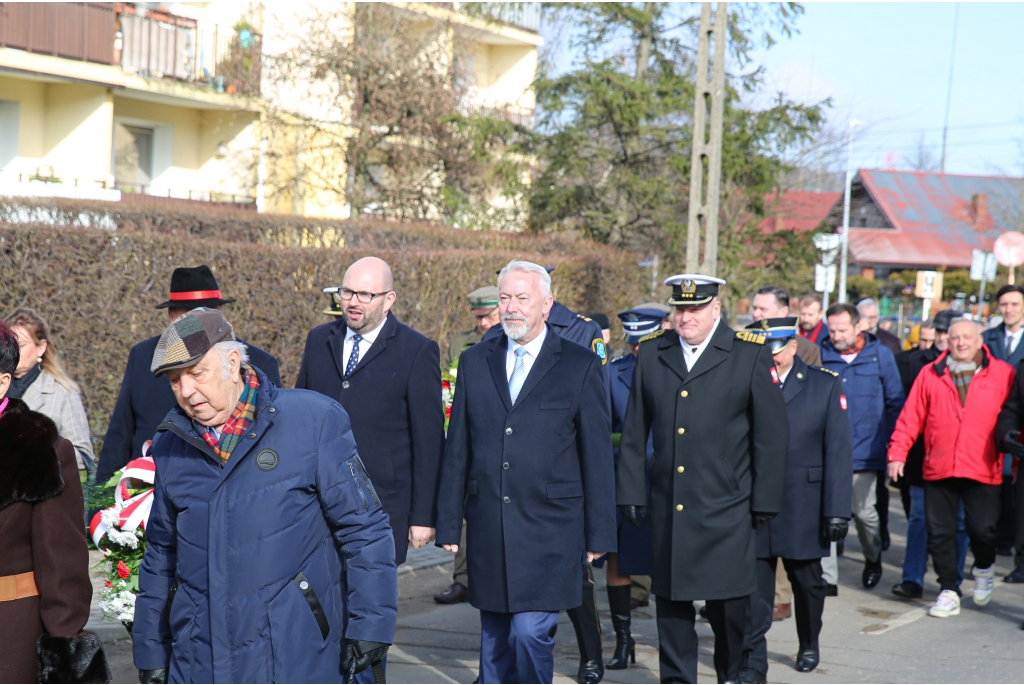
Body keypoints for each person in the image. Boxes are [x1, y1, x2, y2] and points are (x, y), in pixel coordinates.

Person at [133, 308, 397, 683]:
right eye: (175, 381)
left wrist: (371, 627)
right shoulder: (170, 444)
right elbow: (160, 553)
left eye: (197, 373)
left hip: (296, 652)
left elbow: (365, 529)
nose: (187, 392)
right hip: (199, 658)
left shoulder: (313, 421)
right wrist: (150, 649)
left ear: (233, 362)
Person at [435, 260, 616, 685]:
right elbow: (458, 446)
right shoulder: (475, 362)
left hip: (551, 528)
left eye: (522, 298)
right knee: (495, 636)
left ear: (546, 305)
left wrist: (600, 533)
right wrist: (447, 521)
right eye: (504, 299)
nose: (511, 308)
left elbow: (595, 456)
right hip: (490, 526)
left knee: (530, 632)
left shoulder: (579, 365)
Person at [617, 274, 788, 684]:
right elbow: (635, 429)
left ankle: (732, 674)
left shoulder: (747, 354)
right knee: (672, 607)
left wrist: (764, 499)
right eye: (679, 309)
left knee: (730, 606)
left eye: (695, 309)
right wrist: (630, 492)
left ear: (716, 309)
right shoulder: (654, 352)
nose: (685, 317)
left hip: (726, 505)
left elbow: (771, 434)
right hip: (670, 502)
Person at [296, 256, 446, 570]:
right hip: (318, 503)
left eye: (365, 295)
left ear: (388, 299)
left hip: (382, 506)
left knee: (371, 609)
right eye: (347, 292)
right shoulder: (319, 340)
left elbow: (428, 443)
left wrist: (423, 517)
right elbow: (300, 418)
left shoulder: (417, 351)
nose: (352, 302)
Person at [740, 318, 852, 682]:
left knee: (807, 583)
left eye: (777, 349)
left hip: (803, 502)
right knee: (754, 586)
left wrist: (837, 510)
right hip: (756, 501)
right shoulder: (746, 383)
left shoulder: (823, 385)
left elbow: (837, 452)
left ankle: (808, 642)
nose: (771, 358)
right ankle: (753, 654)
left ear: (793, 346)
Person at [0, 319, 110, 684]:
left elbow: (61, 566)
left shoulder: (40, 450)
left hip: (10, 638)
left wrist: (67, 657)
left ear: (2, 381)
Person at [97, 266, 281, 483]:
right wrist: (104, 505)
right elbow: (121, 434)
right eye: (188, 316)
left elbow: (277, 438)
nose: (186, 390)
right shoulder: (143, 356)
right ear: (170, 317)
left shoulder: (259, 362)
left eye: (208, 311)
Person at [889, 318, 1014, 618]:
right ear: (946, 341)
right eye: (954, 338)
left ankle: (983, 566)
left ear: (978, 339)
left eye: (966, 337)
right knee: (939, 532)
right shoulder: (930, 374)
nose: (960, 343)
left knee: (982, 530)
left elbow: (1013, 415)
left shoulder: (1002, 373)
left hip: (982, 466)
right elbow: (911, 417)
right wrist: (897, 453)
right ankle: (949, 589)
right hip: (939, 464)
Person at [597, 304, 668, 672]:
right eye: (634, 342)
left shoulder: (680, 368)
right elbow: (600, 429)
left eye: (647, 340)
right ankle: (624, 641)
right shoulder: (614, 374)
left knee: (670, 563)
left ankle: (673, 642)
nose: (639, 349)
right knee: (619, 560)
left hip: (672, 482)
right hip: (627, 481)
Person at [820, 303, 905, 589]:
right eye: (831, 330)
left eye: (842, 330)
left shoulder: (879, 355)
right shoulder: (821, 355)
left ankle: (872, 557)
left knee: (865, 513)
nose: (836, 335)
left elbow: (895, 402)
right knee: (828, 513)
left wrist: (892, 445)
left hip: (867, 450)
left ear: (859, 326)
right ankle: (827, 577)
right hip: (829, 451)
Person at [891, 312, 969, 599]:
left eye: (944, 331)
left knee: (959, 522)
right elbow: (907, 414)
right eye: (938, 331)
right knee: (919, 519)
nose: (940, 337)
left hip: (960, 462)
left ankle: (952, 581)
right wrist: (897, 452)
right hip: (921, 459)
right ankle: (912, 578)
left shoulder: (974, 366)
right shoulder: (915, 364)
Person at [437, 286, 500, 605]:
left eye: (488, 317)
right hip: (462, 434)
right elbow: (447, 388)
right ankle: (462, 579)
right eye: (477, 318)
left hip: (495, 437)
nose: (482, 325)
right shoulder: (462, 343)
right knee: (461, 507)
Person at [5, 308, 95, 476]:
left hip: (43, 492)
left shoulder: (61, 392)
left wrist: (38, 454)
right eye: (10, 344)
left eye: (22, 345)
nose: (14, 351)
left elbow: (83, 456)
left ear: (41, 348)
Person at [982, 285, 1024, 579]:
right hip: (994, 421)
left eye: (1014, 304)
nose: (1009, 309)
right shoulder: (988, 339)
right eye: (1004, 304)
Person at [751, 287, 821, 366]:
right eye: (754, 308)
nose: (755, 314)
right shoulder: (745, 343)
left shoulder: (806, 350)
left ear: (783, 312)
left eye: (763, 309)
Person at [443, 286, 500, 371]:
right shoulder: (459, 342)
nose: (484, 323)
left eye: (489, 316)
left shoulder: (513, 341)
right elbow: (445, 378)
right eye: (479, 317)